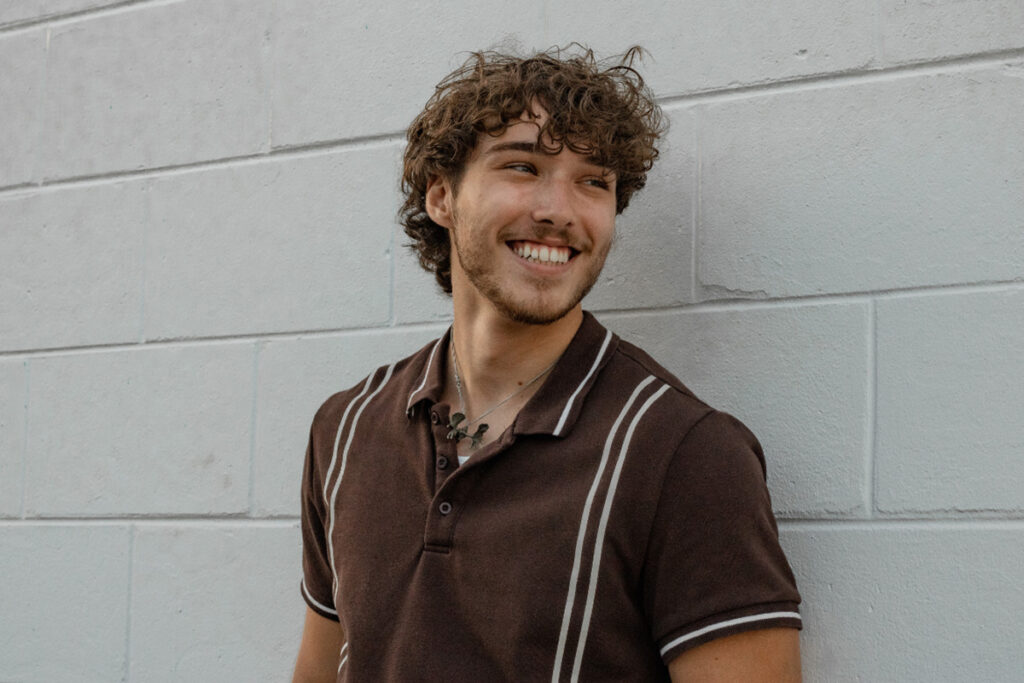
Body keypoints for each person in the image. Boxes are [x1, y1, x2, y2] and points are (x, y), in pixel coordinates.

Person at [293, 46, 802, 682]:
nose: (559, 210)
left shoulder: (684, 455)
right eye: (522, 166)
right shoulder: (344, 429)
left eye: (594, 181)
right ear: (442, 197)